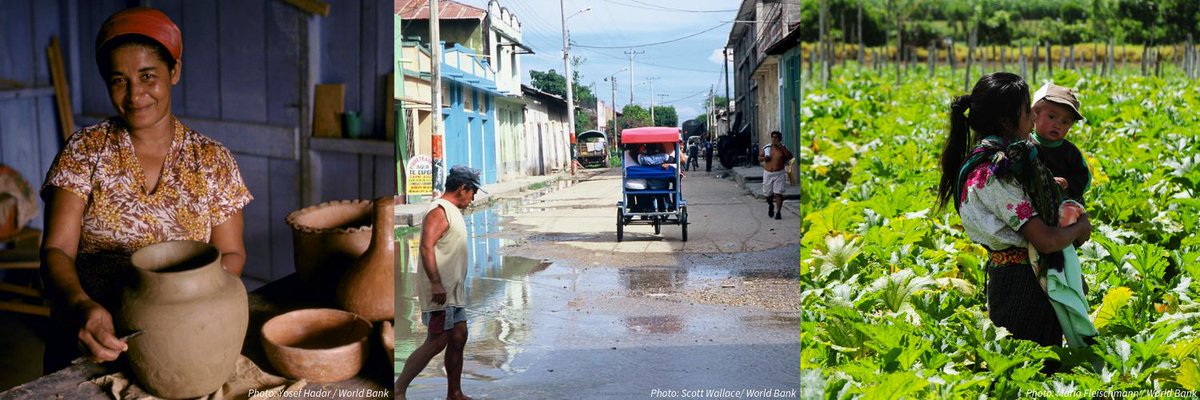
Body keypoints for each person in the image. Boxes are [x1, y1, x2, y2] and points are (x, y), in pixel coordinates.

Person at [39, 7, 252, 373]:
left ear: (175, 72)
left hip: (183, 341)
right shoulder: (85, 151)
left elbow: (231, 253)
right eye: (119, 80)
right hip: (92, 339)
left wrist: (190, 304)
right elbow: (57, 249)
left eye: (147, 76)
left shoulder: (213, 160)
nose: (135, 95)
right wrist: (78, 305)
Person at [936, 72, 1092, 349]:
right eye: (1027, 112)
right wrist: (1079, 228)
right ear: (1007, 121)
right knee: (1030, 366)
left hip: (1019, 277)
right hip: (1022, 284)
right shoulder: (994, 171)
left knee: (1032, 365)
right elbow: (1044, 240)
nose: (1034, 119)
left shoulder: (1010, 157)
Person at [396, 165, 480, 400]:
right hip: (440, 291)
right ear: (463, 188)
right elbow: (425, 246)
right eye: (473, 192)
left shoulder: (452, 210)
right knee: (437, 340)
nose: (472, 199)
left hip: (453, 291)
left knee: (459, 335)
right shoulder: (440, 210)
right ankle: (398, 389)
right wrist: (435, 283)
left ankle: (454, 393)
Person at [1031, 83, 1090, 204]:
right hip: (1033, 203)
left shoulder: (1071, 152)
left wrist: (1067, 184)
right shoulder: (1025, 145)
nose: (1057, 125)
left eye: (1065, 122)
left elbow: (1085, 179)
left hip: (1064, 202)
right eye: (1052, 117)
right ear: (1034, 114)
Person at [759, 131, 793, 220]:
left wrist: (781, 147)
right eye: (773, 137)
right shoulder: (767, 147)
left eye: (776, 137)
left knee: (779, 193)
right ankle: (771, 205)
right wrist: (764, 158)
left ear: (779, 139)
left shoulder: (783, 148)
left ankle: (778, 212)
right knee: (768, 194)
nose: (774, 139)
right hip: (768, 173)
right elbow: (759, 158)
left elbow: (790, 156)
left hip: (779, 173)